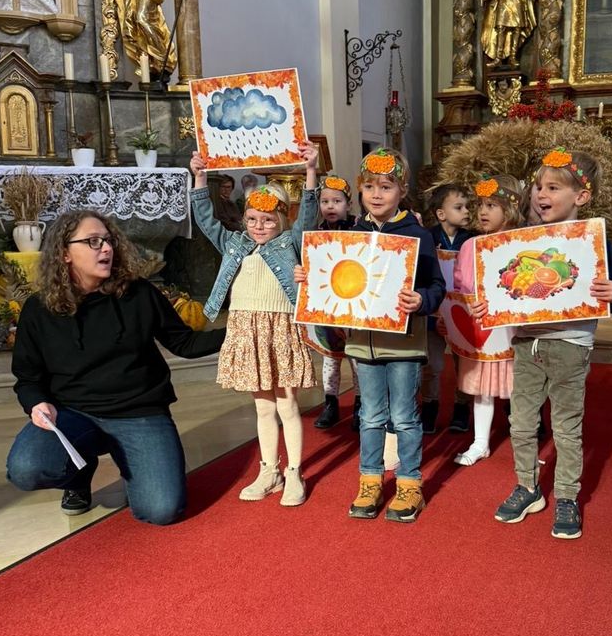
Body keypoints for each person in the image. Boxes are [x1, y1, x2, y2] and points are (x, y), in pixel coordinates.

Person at [6, 210, 225, 523]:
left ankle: (132, 461)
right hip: (72, 414)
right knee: (27, 468)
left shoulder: (139, 293)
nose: (107, 248)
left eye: (108, 240)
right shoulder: (39, 309)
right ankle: (78, 475)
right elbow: (28, 377)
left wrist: (242, 330)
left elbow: (184, 343)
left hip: (139, 413)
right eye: (93, 242)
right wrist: (36, 403)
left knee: (162, 510)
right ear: (64, 253)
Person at [297, 148, 445, 522]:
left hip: (404, 344)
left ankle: (409, 483)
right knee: (370, 416)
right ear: (360, 190)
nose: (376, 194)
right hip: (363, 344)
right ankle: (371, 480)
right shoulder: (351, 236)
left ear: (402, 190)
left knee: (404, 416)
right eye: (369, 187)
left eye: (386, 186)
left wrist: (422, 300)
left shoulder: (418, 235)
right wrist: (308, 277)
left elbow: (436, 286)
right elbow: (334, 279)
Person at [491, 149, 612, 539]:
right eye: (538, 187)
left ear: (581, 196)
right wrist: (491, 302)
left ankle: (567, 495)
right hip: (527, 342)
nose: (540, 194)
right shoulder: (522, 242)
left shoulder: (595, 243)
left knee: (566, 427)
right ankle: (527, 487)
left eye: (552, 187)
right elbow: (505, 286)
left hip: (571, 343)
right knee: (521, 423)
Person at [189, 142, 318, 506]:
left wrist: (311, 172)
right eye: (252, 220)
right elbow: (205, 219)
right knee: (262, 407)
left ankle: (294, 472)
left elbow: (308, 217)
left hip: (280, 329)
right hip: (246, 328)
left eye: (269, 220)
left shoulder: (291, 242)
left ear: (282, 220)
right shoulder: (233, 244)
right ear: (244, 219)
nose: (260, 226)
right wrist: (200, 178)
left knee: (287, 405)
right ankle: (269, 471)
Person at [453, 175, 522, 466]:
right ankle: (480, 441)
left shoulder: (521, 244)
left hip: (513, 329)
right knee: (483, 388)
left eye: (491, 205)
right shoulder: (470, 246)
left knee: (521, 387)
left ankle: (525, 444)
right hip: (481, 329)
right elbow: (461, 284)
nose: (482, 211)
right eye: (480, 205)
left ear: (510, 208)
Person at [421, 183, 473, 435]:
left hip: (463, 312)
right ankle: (429, 406)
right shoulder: (427, 238)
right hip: (434, 311)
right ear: (441, 214)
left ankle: (462, 408)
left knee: (464, 364)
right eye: (459, 207)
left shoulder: (471, 239)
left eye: (467, 207)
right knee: (432, 365)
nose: (466, 212)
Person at [312, 174, 361, 431]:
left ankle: (360, 405)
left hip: (352, 303)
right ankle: (330, 403)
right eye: (325, 201)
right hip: (327, 305)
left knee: (357, 359)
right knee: (330, 359)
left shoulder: (359, 229)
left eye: (337, 201)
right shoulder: (316, 232)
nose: (330, 206)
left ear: (348, 204)